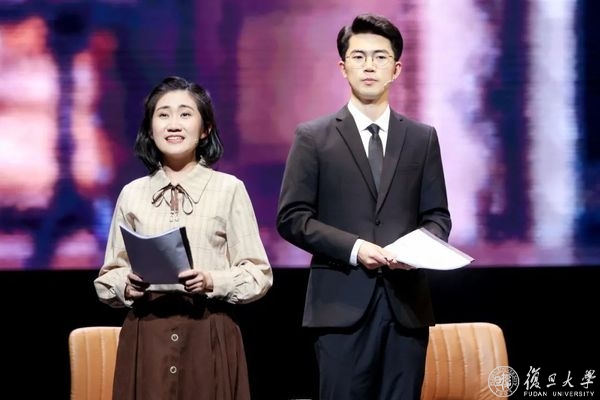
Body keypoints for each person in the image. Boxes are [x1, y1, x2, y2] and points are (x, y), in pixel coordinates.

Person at [276, 13, 452, 400]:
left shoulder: (422, 138)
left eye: (380, 56)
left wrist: (416, 251)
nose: (369, 66)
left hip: (406, 309)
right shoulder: (313, 137)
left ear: (396, 68)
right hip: (339, 306)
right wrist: (355, 249)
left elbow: (437, 217)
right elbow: (292, 218)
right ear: (343, 67)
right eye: (358, 56)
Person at [94, 76, 273, 400]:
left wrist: (211, 280)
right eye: (163, 114)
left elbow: (258, 274)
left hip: (208, 332)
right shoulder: (132, 194)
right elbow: (109, 276)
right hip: (147, 335)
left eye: (185, 114)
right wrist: (127, 285)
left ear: (205, 129)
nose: (173, 124)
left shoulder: (229, 189)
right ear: (150, 129)